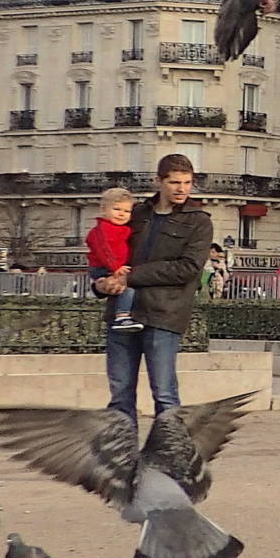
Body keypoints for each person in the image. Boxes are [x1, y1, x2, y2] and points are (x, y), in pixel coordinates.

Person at [95, 154, 215, 420]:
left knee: (164, 394)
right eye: (174, 182)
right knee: (120, 395)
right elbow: (107, 249)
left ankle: (171, 456)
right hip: (123, 312)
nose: (182, 189)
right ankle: (123, 457)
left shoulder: (198, 221)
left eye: (187, 182)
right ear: (158, 181)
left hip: (164, 315)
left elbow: (188, 268)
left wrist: (132, 276)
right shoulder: (135, 214)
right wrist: (100, 282)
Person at [86, 187, 139, 332]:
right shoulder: (103, 229)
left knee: (122, 287)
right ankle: (122, 316)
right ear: (104, 209)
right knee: (126, 287)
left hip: (112, 266)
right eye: (116, 209)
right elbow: (105, 251)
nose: (122, 214)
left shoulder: (121, 228)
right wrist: (116, 268)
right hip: (105, 267)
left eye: (126, 211)